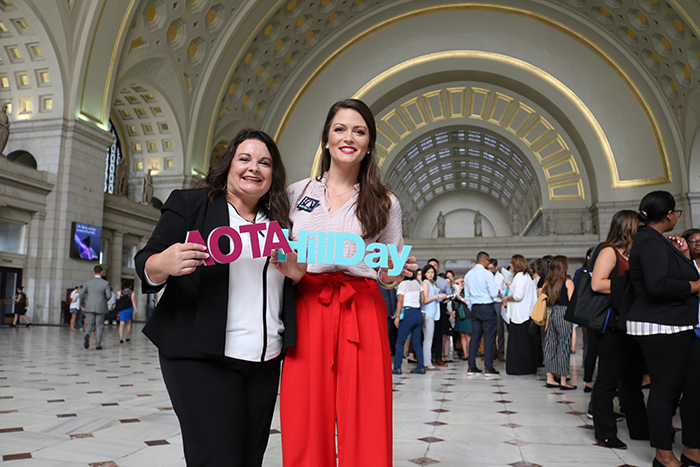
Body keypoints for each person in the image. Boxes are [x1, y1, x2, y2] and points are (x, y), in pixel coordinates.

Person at [135, 128, 303, 466]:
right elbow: (146, 263)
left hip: (264, 361)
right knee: (217, 459)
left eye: (265, 162)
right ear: (228, 166)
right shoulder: (191, 204)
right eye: (245, 159)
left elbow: (286, 284)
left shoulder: (283, 222)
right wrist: (164, 263)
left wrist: (296, 274)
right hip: (201, 356)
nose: (254, 167)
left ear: (273, 175)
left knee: (248, 459)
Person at [280, 99, 414, 467]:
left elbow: (387, 271)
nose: (348, 137)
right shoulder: (296, 193)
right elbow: (285, 254)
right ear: (326, 138)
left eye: (359, 131)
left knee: (366, 409)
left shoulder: (385, 201)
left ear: (369, 143)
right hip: (309, 301)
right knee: (305, 408)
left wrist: (394, 272)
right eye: (340, 129)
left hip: (362, 304)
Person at [627, 191, 700, 467]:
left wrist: (682, 254)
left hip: (679, 324)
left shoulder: (659, 242)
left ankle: (693, 449)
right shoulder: (649, 242)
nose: (676, 216)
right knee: (665, 389)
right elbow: (658, 286)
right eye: (676, 212)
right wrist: (695, 287)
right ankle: (664, 456)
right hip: (661, 325)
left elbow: (687, 274)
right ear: (668, 214)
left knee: (694, 387)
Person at [590, 210, 648, 449]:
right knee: (607, 380)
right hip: (614, 326)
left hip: (632, 323)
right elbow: (597, 283)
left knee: (632, 380)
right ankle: (605, 432)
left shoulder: (634, 253)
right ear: (629, 227)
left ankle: (640, 429)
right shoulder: (609, 251)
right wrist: (631, 284)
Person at [541, 255, 576, 389]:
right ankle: (563, 380)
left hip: (551, 313)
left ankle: (550, 378)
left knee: (550, 345)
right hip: (564, 314)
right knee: (564, 346)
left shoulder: (547, 282)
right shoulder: (567, 282)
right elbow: (572, 302)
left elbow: (541, 298)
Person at [464, 251, 499, 376]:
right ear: (485, 260)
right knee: (489, 338)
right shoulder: (487, 274)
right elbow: (494, 293)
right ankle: (489, 368)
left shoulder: (468, 275)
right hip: (487, 307)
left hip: (475, 308)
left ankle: (471, 367)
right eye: (488, 261)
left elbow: (467, 296)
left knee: (475, 338)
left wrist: (471, 306)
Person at [501, 255, 538, 375]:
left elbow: (518, 296)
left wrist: (507, 298)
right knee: (526, 344)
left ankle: (518, 368)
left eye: (512, 263)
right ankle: (528, 367)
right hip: (528, 313)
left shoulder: (519, 276)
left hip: (519, 315)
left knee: (518, 344)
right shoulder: (528, 276)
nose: (510, 265)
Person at [392, 271, 424, 374]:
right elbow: (422, 298)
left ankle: (397, 367)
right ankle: (421, 366)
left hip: (408, 313)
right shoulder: (417, 283)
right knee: (417, 342)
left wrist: (397, 316)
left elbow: (400, 301)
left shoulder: (402, 284)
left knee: (401, 341)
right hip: (418, 313)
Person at [421, 264, 446, 370]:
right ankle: (427, 362)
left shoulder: (432, 283)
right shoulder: (426, 283)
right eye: (428, 272)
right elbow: (424, 299)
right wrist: (437, 296)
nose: (430, 274)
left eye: (432, 272)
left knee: (429, 339)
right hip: (427, 313)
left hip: (432, 313)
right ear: (425, 274)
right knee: (428, 339)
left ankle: (428, 361)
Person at [427, 258, 451, 367]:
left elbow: (449, 295)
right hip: (427, 307)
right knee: (426, 333)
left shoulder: (443, 282)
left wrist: (446, 299)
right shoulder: (424, 282)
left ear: (438, 268)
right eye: (430, 266)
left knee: (439, 333)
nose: (433, 268)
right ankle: (425, 358)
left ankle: (438, 358)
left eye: (435, 266)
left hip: (440, 307)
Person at [452, 277, 472, 361]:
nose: (461, 284)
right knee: (462, 335)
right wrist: (459, 289)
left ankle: (470, 353)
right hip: (460, 314)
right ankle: (465, 353)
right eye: (459, 283)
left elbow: (470, 302)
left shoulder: (470, 291)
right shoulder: (458, 292)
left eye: (463, 282)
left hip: (467, 314)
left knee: (468, 335)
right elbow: (453, 283)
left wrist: (462, 299)